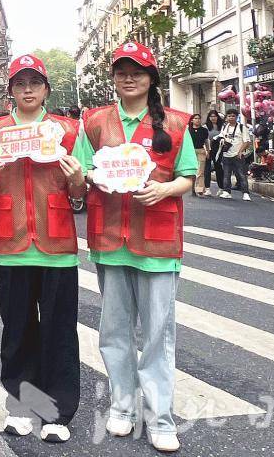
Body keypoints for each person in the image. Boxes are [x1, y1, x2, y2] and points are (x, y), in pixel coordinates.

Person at [73, 41, 196, 454]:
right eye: (121, 72)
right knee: (115, 331)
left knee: (158, 333)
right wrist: (93, 177)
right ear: (113, 77)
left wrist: (164, 190)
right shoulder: (95, 122)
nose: (129, 79)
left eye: (137, 72)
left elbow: (187, 176)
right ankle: (122, 407)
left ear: (151, 79)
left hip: (158, 242)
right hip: (110, 239)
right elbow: (82, 170)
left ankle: (161, 418)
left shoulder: (175, 124)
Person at [0, 54, 85, 442]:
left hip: (57, 241)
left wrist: (77, 178)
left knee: (59, 330)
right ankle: (22, 406)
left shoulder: (68, 131)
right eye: (20, 84)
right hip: (11, 241)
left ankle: (57, 413)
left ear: (46, 90)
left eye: (34, 83)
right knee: (17, 329)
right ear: (10, 91)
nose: (27, 90)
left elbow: (79, 190)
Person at [215, 108, 251, 201]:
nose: (231, 118)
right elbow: (221, 136)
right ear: (226, 117)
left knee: (241, 175)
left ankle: (246, 193)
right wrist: (222, 141)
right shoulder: (225, 127)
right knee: (226, 174)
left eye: (233, 116)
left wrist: (240, 151)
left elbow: (247, 141)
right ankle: (227, 192)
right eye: (229, 116)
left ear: (236, 117)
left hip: (238, 155)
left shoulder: (242, 127)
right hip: (226, 155)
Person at [187, 114, 209, 196]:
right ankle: (192, 188)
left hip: (201, 150)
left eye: (199, 118)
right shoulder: (188, 130)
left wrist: (208, 150)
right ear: (192, 120)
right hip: (190, 151)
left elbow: (206, 141)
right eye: (195, 118)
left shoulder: (204, 130)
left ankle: (200, 189)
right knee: (192, 171)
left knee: (200, 171)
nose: (198, 120)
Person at [203, 110, 224, 193]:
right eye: (211, 116)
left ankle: (221, 188)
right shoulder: (205, 127)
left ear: (217, 117)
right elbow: (204, 139)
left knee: (218, 167)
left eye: (214, 116)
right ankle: (207, 188)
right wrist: (206, 150)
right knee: (207, 168)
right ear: (209, 118)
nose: (213, 118)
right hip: (208, 148)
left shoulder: (222, 126)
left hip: (218, 149)